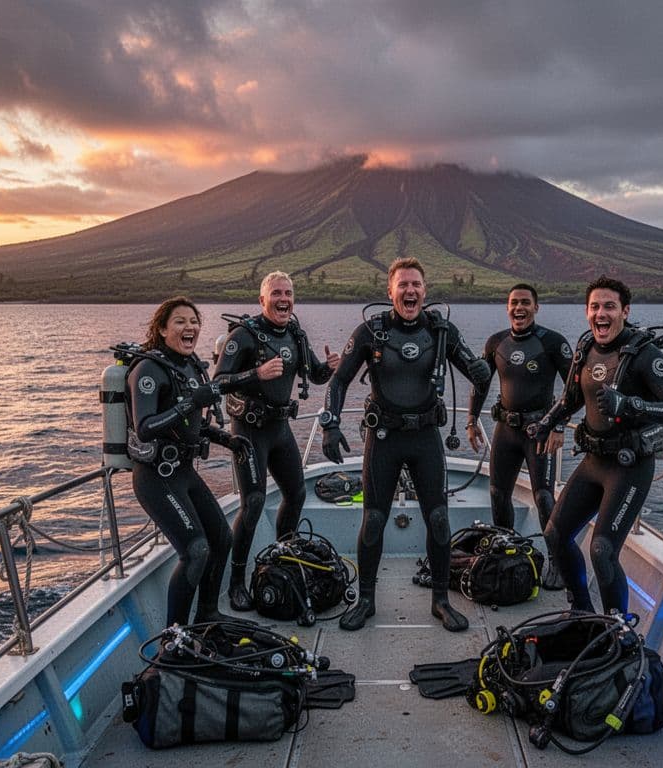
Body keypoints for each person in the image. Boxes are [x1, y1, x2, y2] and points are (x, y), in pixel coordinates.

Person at [320, 257, 492, 632]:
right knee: (375, 520)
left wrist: (483, 374)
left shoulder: (441, 330)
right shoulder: (371, 331)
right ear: (391, 291)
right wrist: (330, 425)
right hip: (384, 437)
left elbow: (474, 370)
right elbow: (338, 381)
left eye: (416, 284)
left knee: (439, 518)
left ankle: (441, 601)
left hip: (426, 436)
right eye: (403, 285)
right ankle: (366, 600)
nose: (410, 291)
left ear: (425, 290)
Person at [527, 276, 663, 615]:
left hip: (629, 467)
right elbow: (571, 398)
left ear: (625, 311)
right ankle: (582, 613)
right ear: (588, 312)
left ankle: (618, 631)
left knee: (602, 550)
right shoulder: (585, 348)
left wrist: (632, 405)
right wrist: (547, 422)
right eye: (595, 307)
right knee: (555, 535)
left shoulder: (645, 355)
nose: (601, 313)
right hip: (594, 461)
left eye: (610, 307)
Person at [126, 296, 259, 627]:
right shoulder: (148, 369)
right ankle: (174, 637)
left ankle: (208, 614)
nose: (191, 327)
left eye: (195, 321)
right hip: (156, 477)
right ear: (161, 329)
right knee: (196, 550)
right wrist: (191, 403)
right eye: (180, 322)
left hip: (183, 471)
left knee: (222, 539)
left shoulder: (192, 367)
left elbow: (193, 425)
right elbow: (144, 428)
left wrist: (226, 439)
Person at [214, 271, 341, 611]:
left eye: (288, 293)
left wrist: (328, 368)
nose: (284, 299)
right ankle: (236, 583)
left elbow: (313, 374)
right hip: (249, 431)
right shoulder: (243, 335)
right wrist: (255, 373)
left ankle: (284, 557)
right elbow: (218, 381)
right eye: (277, 294)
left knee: (297, 493)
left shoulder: (296, 334)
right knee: (253, 503)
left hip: (280, 429)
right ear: (262, 300)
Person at [466, 283, 571, 589]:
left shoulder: (551, 342)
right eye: (514, 303)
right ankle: (506, 551)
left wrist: (559, 426)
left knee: (543, 496)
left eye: (525, 302)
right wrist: (472, 420)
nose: (519, 308)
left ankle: (557, 562)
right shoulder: (496, 343)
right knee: (498, 494)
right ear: (507, 307)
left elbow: (573, 389)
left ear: (536, 308)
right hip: (506, 429)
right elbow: (481, 384)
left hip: (540, 430)